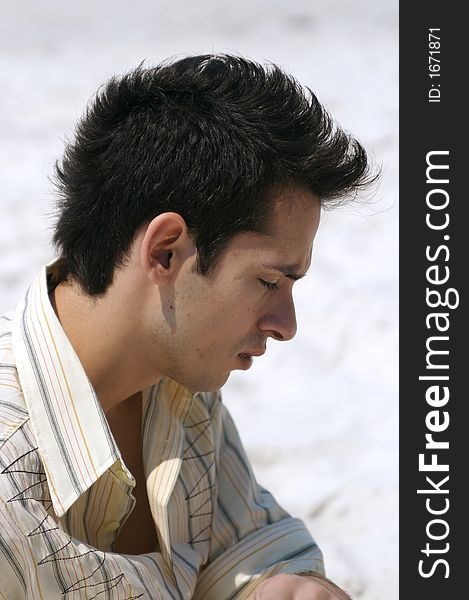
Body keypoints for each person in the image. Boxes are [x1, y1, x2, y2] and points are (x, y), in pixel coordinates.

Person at [0, 54, 372, 599]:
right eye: (270, 282)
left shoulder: (178, 388)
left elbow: (251, 554)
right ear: (167, 252)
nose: (286, 325)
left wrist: (288, 588)